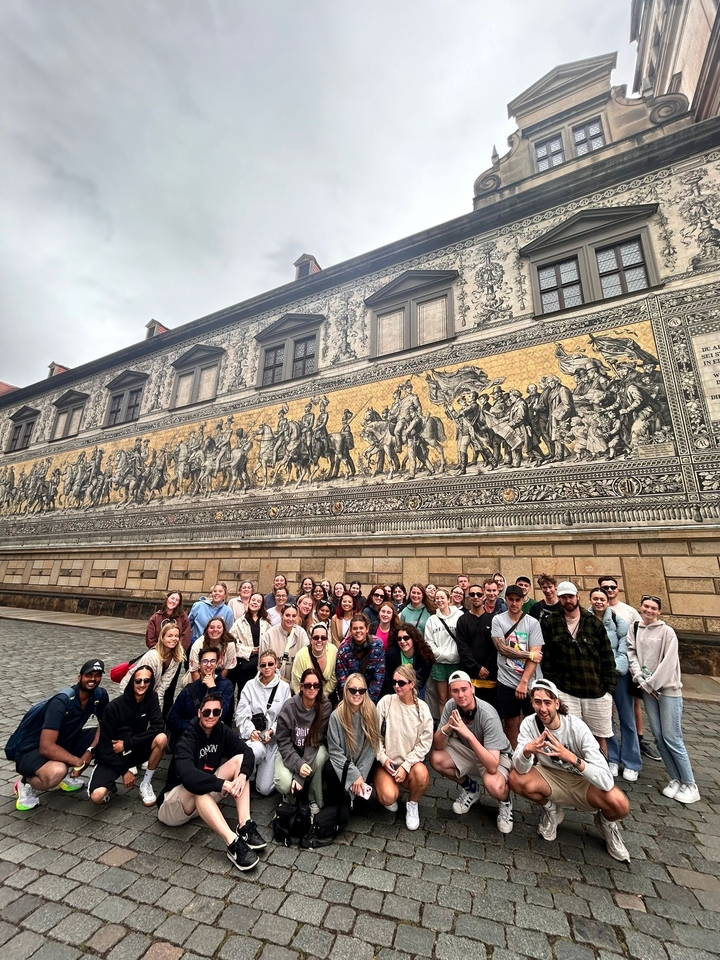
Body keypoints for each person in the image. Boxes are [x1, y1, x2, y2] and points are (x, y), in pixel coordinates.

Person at [509, 679, 631, 862]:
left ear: (557, 703)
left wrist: (572, 758)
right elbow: (519, 768)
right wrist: (527, 751)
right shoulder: (529, 724)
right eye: (537, 702)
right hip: (551, 777)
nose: (543, 709)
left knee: (620, 803)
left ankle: (606, 823)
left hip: (583, 782)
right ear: (532, 703)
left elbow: (606, 780)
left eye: (548, 703)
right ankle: (552, 811)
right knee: (515, 779)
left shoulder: (577, 727)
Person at [158, 693, 266, 872]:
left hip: (202, 795)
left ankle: (244, 825)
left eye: (216, 712)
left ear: (221, 713)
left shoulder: (221, 730)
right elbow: (188, 776)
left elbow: (246, 752)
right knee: (198, 788)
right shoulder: (188, 737)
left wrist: (242, 775)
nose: (211, 716)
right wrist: (223, 784)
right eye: (207, 712)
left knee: (240, 762)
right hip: (174, 805)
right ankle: (232, 843)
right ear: (199, 713)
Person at [627, 595, 700, 803]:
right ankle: (675, 778)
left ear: (659, 611)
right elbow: (632, 654)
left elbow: (669, 662)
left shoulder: (667, 632)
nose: (649, 610)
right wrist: (639, 677)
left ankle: (690, 783)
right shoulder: (635, 628)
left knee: (672, 737)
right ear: (640, 607)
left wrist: (651, 684)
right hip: (647, 687)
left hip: (666, 689)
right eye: (646, 606)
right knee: (659, 736)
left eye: (653, 608)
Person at [13, 659, 109, 812]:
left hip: (64, 741)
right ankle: (25, 783)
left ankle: (85, 780)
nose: (93, 679)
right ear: (79, 677)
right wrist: (78, 761)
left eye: (97, 675)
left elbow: (104, 725)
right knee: (57, 771)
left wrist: (89, 751)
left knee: (107, 736)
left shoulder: (99, 695)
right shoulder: (62, 701)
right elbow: (46, 747)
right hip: (32, 750)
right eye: (88, 675)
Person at [429, 670, 513, 831]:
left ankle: (505, 803)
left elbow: (492, 766)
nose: (460, 695)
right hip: (468, 751)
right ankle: (471, 789)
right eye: (455, 691)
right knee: (436, 758)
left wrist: (468, 734)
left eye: (464, 689)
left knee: (494, 785)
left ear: (472, 689)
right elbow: (438, 745)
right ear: (450, 693)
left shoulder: (488, 715)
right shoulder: (450, 706)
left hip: (495, 756)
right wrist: (447, 727)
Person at [540, 581, 617, 756]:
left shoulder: (593, 622)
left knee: (599, 738)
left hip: (595, 691)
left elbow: (607, 657)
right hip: (566, 690)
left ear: (577, 596)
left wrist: (609, 689)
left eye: (571, 596)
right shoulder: (551, 622)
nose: (568, 600)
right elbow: (548, 658)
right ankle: (574, 777)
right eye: (564, 597)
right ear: (559, 598)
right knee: (569, 736)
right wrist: (554, 686)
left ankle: (601, 775)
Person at [598, 576, 662, 763]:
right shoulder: (591, 612)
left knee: (629, 712)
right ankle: (611, 756)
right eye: (604, 588)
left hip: (624, 670)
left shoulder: (629, 611)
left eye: (612, 587)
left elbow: (638, 639)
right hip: (601, 673)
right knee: (604, 716)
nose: (609, 590)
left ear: (617, 589)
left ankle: (633, 755)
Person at [88, 666, 167, 806]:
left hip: (134, 748)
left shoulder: (151, 698)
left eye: (147, 681)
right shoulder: (113, 708)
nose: (142, 684)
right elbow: (104, 749)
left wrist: (127, 744)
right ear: (132, 682)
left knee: (161, 738)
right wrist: (124, 771)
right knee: (97, 797)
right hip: (114, 754)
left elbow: (158, 726)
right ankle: (107, 789)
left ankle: (146, 783)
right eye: (138, 681)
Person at [589, 588, 641, 782]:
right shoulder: (585, 618)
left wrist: (614, 669)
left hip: (618, 675)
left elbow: (625, 647)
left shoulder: (619, 621)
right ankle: (612, 757)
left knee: (627, 718)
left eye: (602, 599)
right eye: (595, 598)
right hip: (596, 676)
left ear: (607, 601)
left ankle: (632, 762)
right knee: (604, 718)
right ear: (591, 600)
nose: (599, 602)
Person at [375, 665, 433, 830]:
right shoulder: (386, 702)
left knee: (422, 774)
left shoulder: (422, 709)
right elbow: (375, 736)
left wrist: (406, 766)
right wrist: (383, 758)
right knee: (388, 798)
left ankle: (412, 804)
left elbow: (425, 743)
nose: (397, 686)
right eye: (394, 682)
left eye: (401, 683)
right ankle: (392, 791)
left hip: (410, 765)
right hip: (387, 763)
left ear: (412, 684)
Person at [491, 584, 544, 748]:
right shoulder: (498, 619)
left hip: (530, 681)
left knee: (535, 721)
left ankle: (536, 759)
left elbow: (537, 654)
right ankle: (515, 755)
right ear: (506, 600)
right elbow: (502, 648)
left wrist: (524, 682)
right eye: (511, 599)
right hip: (506, 679)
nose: (514, 603)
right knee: (511, 721)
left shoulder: (532, 623)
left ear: (523, 601)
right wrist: (528, 654)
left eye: (518, 600)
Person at [274, 667, 332, 814]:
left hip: (312, 748)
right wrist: (297, 764)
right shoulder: (289, 707)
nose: (312, 688)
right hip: (290, 750)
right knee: (283, 783)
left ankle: (314, 797)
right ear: (301, 687)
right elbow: (283, 741)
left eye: (316, 685)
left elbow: (315, 741)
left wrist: (299, 775)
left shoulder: (325, 707)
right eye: (308, 685)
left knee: (320, 757)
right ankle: (289, 796)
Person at [235, 650, 292, 796]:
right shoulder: (249, 686)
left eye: (270, 664)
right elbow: (241, 713)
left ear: (276, 665)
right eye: (263, 665)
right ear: (259, 667)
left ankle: (261, 770)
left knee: (264, 789)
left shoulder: (284, 688)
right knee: (257, 751)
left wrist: (272, 730)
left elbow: (285, 716)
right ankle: (251, 772)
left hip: (273, 740)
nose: (266, 668)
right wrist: (250, 731)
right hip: (254, 738)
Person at [326, 672, 379, 805]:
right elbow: (334, 751)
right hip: (344, 763)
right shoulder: (336, 716)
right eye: (353, 690)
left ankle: (354, 796)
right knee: (329, 768)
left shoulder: (371, 712)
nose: (357, 694)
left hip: (364, 764)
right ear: (346, 690)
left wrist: (359, 775)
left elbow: (372, 747)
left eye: (361, 690)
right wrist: (354, 775)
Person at [167, 645, 234, 749]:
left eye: (212, 661)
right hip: (190, 738)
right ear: (199, 665)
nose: (208, 665)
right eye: (205, 661)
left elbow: (222, 713)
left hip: (213, 742)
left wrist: (213, 688)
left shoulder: (226, 685)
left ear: (217, 664)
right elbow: (173, 719)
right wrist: (196, 728)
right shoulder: (189, 689)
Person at [121, 623, 185, 717]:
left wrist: (157, 703)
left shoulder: (176, 658)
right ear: (162, 638)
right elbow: (143, 680)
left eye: (176, 636)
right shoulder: (152, 656)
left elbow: (164, 684)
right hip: (133, 689)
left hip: (150, 692)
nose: (174, 639)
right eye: (170, 636)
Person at [455, 583, 499, 708]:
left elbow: (496, 647)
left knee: (490, 712)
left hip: (490, 676)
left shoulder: (493, 620)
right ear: (468, 597)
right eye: (472, 594)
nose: (476, 597)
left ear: (483, 595)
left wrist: (486, 667)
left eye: (479, 594)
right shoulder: (462, 620)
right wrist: (476, 668)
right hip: (469, 676)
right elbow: (462, 647)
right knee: (469, 712)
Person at [424, 588, 463, 714]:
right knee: (442, 699)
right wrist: (440, 654)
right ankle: (444, 728)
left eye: (442, 598)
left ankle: (456, 728)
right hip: (439, 663)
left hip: (456, 663)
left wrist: (455, 654)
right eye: (437, 598)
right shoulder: (432, 620)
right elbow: (429, 642)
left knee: (455, 698)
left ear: (448, 599)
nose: (439, 600)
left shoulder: (459, 616)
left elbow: (463, 639)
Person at [336, 614, 386, 703]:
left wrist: (368, 701)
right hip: (350, 696)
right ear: (350, 630)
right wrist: (352, 700)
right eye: (355, 628)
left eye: (361, 628)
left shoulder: (378, 645)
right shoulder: (343, 649)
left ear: (367, 629)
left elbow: (379, 677)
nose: (358, 631)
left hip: (371, 696)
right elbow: (342, 680)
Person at [229, 592, 270, 696]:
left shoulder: (266, 623)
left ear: (262, 605)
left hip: (262, 662)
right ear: (249, 601)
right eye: (253, 600)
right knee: (244, 693)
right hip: (245, 663)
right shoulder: (239, 621)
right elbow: (232, 641)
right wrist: (250, 650)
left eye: (258, 601)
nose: (255, 603)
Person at [261, 602, 310, 682]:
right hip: (274, 682)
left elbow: (306, 661)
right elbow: (263, 663)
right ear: (281, 615)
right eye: (287, 615)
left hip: (296, 684)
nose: (290, 619)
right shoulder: (269, 634)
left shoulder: (302, 633)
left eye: (294, 616)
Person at [384, 624, 435, 696]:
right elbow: (391, 679)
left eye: (406, 638)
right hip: (397, 688)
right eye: (399, 639)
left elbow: (422, 681)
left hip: (417, 688)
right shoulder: (391, 654)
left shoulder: (425, 655)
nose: (402, 641)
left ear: (413, 638)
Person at [291, 622, 338, 700]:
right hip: (304, 698)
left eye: (323, 638)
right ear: (311, 640)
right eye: (316, 638)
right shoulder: (301, 655)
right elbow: (296, 682)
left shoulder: (333, 651)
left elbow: (334, 678)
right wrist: (307, 699)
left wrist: (321, 696)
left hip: (325, 697)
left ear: (327, 640)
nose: (319, 640)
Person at [188, 617, 238, 682]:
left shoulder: (230, 644)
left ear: (223, 630)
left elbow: (227, 668)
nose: (215, 630)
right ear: (207, 630)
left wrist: (215, 685)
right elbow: (194, 670)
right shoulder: (198, 645)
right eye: (211, 627)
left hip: (221, 672)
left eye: (219, 627)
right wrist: (201, 688)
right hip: (200, 674)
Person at [145, 590, 191, 654]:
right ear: (167, 598)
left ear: (179, 603)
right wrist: (160, 652)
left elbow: (186, 638)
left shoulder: (183, 618)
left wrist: (177, 653)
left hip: (175, 655)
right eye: (172, 598)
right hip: (158, 654)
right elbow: (150, 639)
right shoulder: (155, 618)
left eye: (177, 600)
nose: (173, 601)